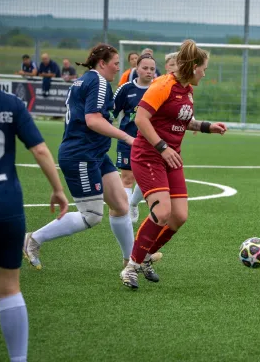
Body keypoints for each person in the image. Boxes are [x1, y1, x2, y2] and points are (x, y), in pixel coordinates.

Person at [120, 39, 227, 289]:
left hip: (171, 157)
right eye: (205, 68)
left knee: (178, 216)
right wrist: (162, 147)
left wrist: (207, 127)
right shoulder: (163, 84)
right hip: (149, 156)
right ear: (194, 66)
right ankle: (131, 267)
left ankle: (146, 255)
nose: (205, 73)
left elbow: (181, 119)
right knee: (162, 212)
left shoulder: (187, 89)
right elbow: (141, 119)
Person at [23, 44, 137, 275]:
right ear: (102, 63)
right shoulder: (98, 82)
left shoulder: (84, 79)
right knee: (92, 216)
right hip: (81, 155)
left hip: (95, 152)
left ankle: (131, 261)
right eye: (115, 63)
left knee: (121, 206)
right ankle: (33, 239)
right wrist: (127, 137)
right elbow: (93, 120)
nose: (118, 67)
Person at [0, 90, 68, 362]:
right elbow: (39, 149)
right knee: (9, 288)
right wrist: (58, 189)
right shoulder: (10, 104)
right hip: (7, 203)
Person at [113, 54, 156, 223]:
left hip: (151, 142)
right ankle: (124, 215)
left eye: (152, 69)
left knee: (145, 178)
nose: (148, 71)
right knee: (127, 177)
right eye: (145, 68)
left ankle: (133, 203)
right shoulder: (125, 89)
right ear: (136, 68)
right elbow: (111, 111)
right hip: (127, 140)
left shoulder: (158, 88)